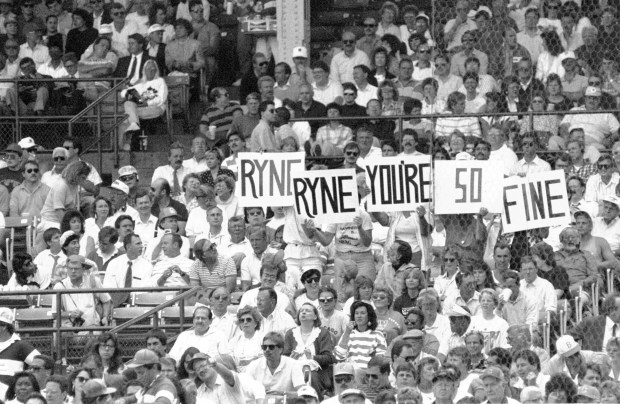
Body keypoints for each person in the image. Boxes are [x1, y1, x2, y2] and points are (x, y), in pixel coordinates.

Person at [283, 303, 335, 396]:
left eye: (307, 310)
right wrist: (291, 359)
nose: (303, 312)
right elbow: (284, 357)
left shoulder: (322, 333)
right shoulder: (290, 333)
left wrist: (312, 357)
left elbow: (329, 358)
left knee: (310, 375)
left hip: (317, 373)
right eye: (301, 311)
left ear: (315, 316)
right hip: (294, 370)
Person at [52, 255, 112, 330]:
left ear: (83, 269)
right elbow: (54, 314)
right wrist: (70, 314)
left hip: (93, 328)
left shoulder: (93, 281)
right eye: (70, 268)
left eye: (76, 268)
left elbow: (106, 301)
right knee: (64, 332)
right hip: (70, 330)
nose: (73, 271)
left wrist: (105, 317)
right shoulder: (59, 286)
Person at [120, 59, 168, 150]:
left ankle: (126, 143)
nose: (150, 70)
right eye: (148, 68)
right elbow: (123, 93)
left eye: (153, 68)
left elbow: (161, 99)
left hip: (155, 107)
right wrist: (126, 91)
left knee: (125, 118)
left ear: (156, 70)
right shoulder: (140, 83)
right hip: (140, 108)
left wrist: (147, 103)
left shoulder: (160, 81)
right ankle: (134, 126)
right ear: (144, 70)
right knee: (127, 103)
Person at [335, 301, 387, 369]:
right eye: (356, 313)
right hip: (351, 373)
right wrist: (347, 333)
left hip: (369, 373)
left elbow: (381, 359)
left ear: (369, 316)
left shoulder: (378, 335)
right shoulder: (348, 334)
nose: (359, 316)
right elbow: (339, 357)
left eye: (362, 313)